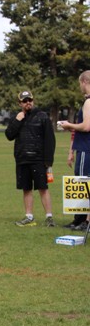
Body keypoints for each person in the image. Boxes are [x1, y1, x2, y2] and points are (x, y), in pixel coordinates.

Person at [4, 90, 56, 227]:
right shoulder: (17, 117)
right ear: (20, 103)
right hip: (22, 159)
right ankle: (29, 216)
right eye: (25, 101)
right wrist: (17, 120)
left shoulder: (43, 116)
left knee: (43, 188)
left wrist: (48, 162)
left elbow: (50, 140)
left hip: (39, 159)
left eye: (30, 100)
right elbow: (9, 135)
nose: (28, 103)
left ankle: (49, 217)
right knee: (26, 188)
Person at [60, 71, 90, 231]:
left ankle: (85, 221)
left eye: (80, 83)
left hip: (86, 148)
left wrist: (69, 125)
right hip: (82, 147)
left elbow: (86, 126)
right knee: (83, 184)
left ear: (84, 81)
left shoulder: (88, 103)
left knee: (83, 183)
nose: (80, 86)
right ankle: (79, 219)